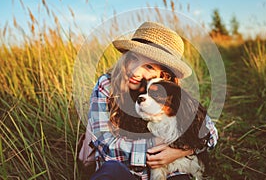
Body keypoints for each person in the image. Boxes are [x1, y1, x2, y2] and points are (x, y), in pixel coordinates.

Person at [78, 21, 218, 180]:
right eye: (133, 59)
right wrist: (157, 147)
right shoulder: (107, 85)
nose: (135, 71)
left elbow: (211, 133)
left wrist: (182, 150)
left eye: (149, 67)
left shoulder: (166, 94)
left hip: (168, 171)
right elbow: (105, 145)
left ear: (164, 75)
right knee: (111, 171)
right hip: (121, 169)